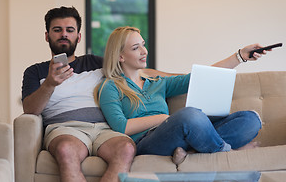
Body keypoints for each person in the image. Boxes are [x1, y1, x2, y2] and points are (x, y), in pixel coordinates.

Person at [21, 7, 136, 182]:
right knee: (65, 150)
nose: (64, 34)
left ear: (78, 36)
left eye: (69, 30)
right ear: (47, 35)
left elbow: (137, 72)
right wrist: (50, 83)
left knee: (126, 149)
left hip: (105, 127)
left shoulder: (97, 63)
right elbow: (30, 110)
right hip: (65, 128)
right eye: (57, 30)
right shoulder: (35, 72)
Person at [96, 26, 267, 165]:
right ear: (120, 56)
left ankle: (191, 153)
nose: (144, 51)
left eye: (143, 44)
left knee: (250, 119)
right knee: (190, 115)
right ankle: (229, 153)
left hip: (182, 138)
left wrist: (240, 56)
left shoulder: (157, 82)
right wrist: (162, 118)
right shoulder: (110, 87)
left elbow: (200, 77)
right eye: (136, 48)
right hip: (147, 141)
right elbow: (121, 127)